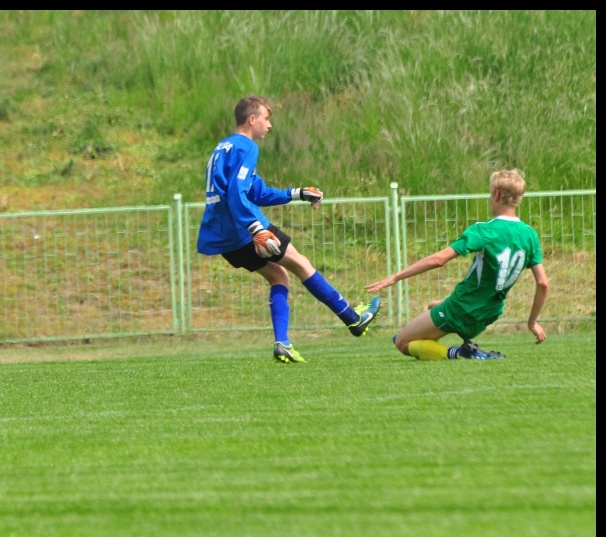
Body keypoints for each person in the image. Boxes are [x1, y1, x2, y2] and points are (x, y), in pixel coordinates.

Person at [196, 94, 381, 363]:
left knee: (279, 276)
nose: (269, 125)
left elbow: (255, 191)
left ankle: (282, 343)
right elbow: (237, 192)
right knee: (302, 264)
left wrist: (297, 193)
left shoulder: (223, 148)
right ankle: (353, 319)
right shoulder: (247, 147)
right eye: (266, 118)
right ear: (252, 119)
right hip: (243, 229)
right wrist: (256, 228)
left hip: (224, 237)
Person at [364, 168, 548, 360]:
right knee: (432, 306)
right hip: (490, 312)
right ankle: (448, 348)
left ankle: (462, 354)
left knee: (402, 342)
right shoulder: (530, 235)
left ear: (495, 194)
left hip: (462, 307)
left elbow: (439, 259)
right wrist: (532, 322)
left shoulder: (484, 231)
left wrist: (395, 277)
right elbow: (543, 283)